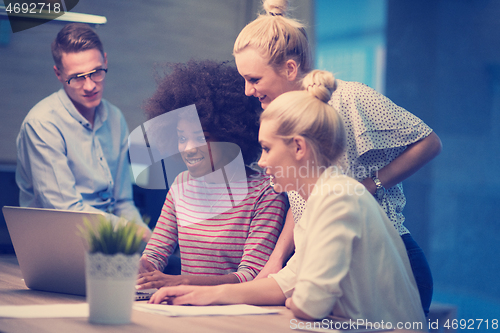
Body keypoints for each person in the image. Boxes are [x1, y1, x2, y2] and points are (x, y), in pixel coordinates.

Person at [148, 70, 427, 329]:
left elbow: (308, 303)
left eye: (267, 149)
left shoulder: (338, 200)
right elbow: (283, 283)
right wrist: (199, 295)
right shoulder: (319, 201)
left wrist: (298, 300)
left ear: (298, 147)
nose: (262, 161)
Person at [232, 0, 442, 316]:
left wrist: (370, 184)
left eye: (254, 79)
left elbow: (429, 142)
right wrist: (276, 260)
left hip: (385, 266)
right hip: (326, 265)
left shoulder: (349, 97)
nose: (248, 91)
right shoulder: (286, 117)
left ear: (290, 68)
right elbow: (302, 200)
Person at [136, 60, 287, 288]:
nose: (189, 148)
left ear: (231, 136)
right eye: (182, 138)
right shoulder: (181, 185)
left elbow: (251, 275)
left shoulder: (266, 192)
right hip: (186, 307)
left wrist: (181, 281)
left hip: (238, 311)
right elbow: (155, 254)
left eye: (202, 137)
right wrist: (138, 268)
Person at [15, 23, 151, 239]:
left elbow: (123, 202)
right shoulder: (41, 124)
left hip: (109, 243)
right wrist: (135, 234)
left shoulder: (115, 118)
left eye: (96, 72)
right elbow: (67, 212)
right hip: (59, 243)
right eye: (77, 77)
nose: (90, 86)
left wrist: (151, 246)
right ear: (58, 74)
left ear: (105, 61)